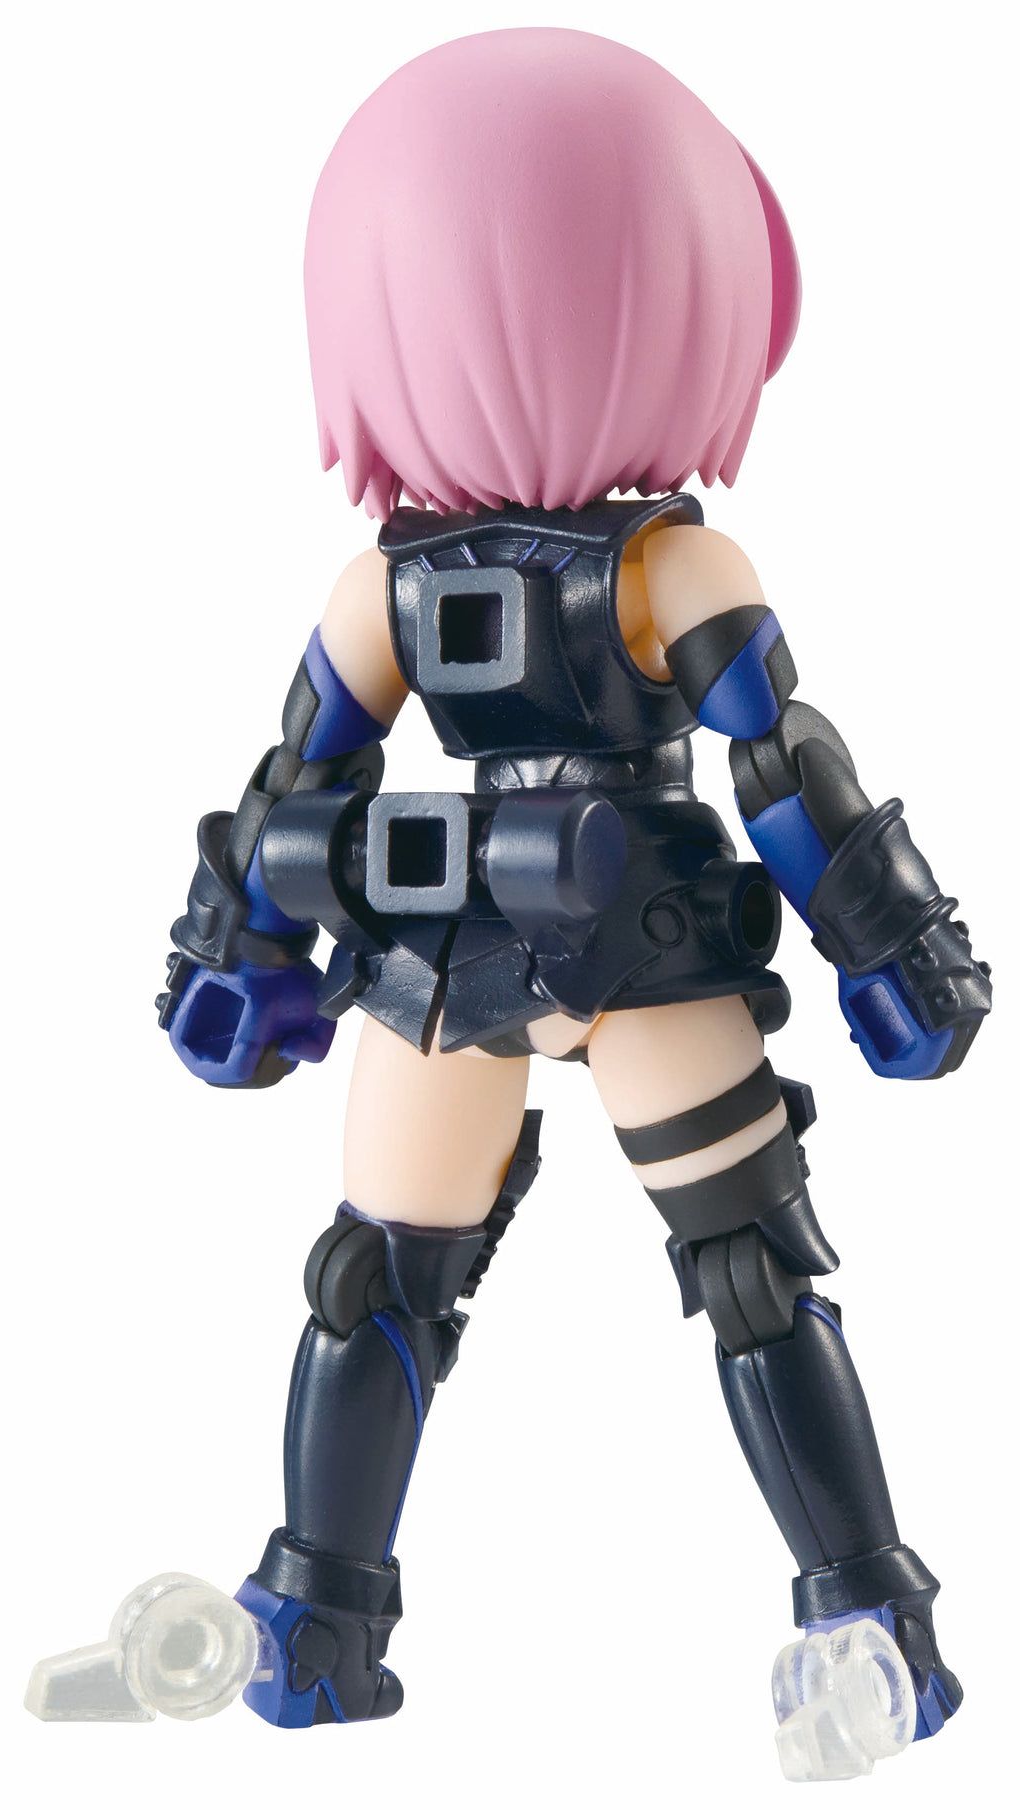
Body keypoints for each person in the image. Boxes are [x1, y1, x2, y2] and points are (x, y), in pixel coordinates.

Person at [150, 29, 989, 1772]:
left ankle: (865, 1620)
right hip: (513, 946)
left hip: (578, 938)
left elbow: (782, 768)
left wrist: (890, 944)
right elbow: (303, 787)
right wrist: (239, 947)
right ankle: (319, 1606)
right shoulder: (589, 572)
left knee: (733, 1272)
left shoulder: (522, 578)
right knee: (386, 1275)